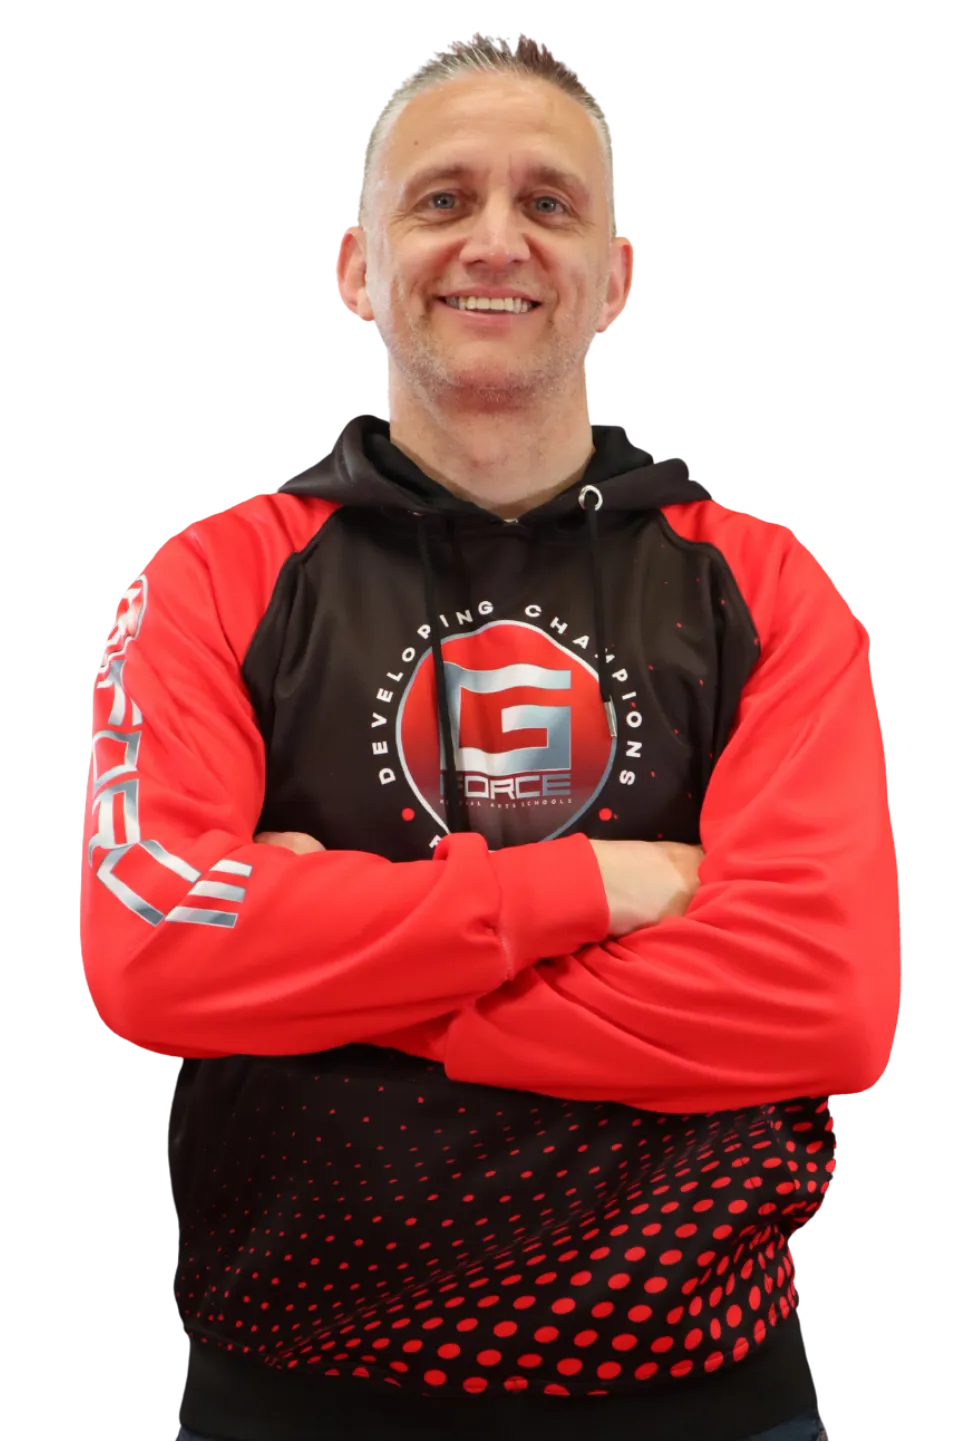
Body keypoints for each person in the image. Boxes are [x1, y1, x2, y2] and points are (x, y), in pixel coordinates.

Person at [80, 31, 895, 1443]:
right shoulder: (214, 574)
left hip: (708, 1398)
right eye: (444, 198)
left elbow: (826, 1003)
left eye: (549, 202)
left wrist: (319, 974)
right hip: (293, 1393)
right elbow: (149, 957)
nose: (497, 240)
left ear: (617, 276)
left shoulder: (766, 582)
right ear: (355, 267)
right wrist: (601, 887)